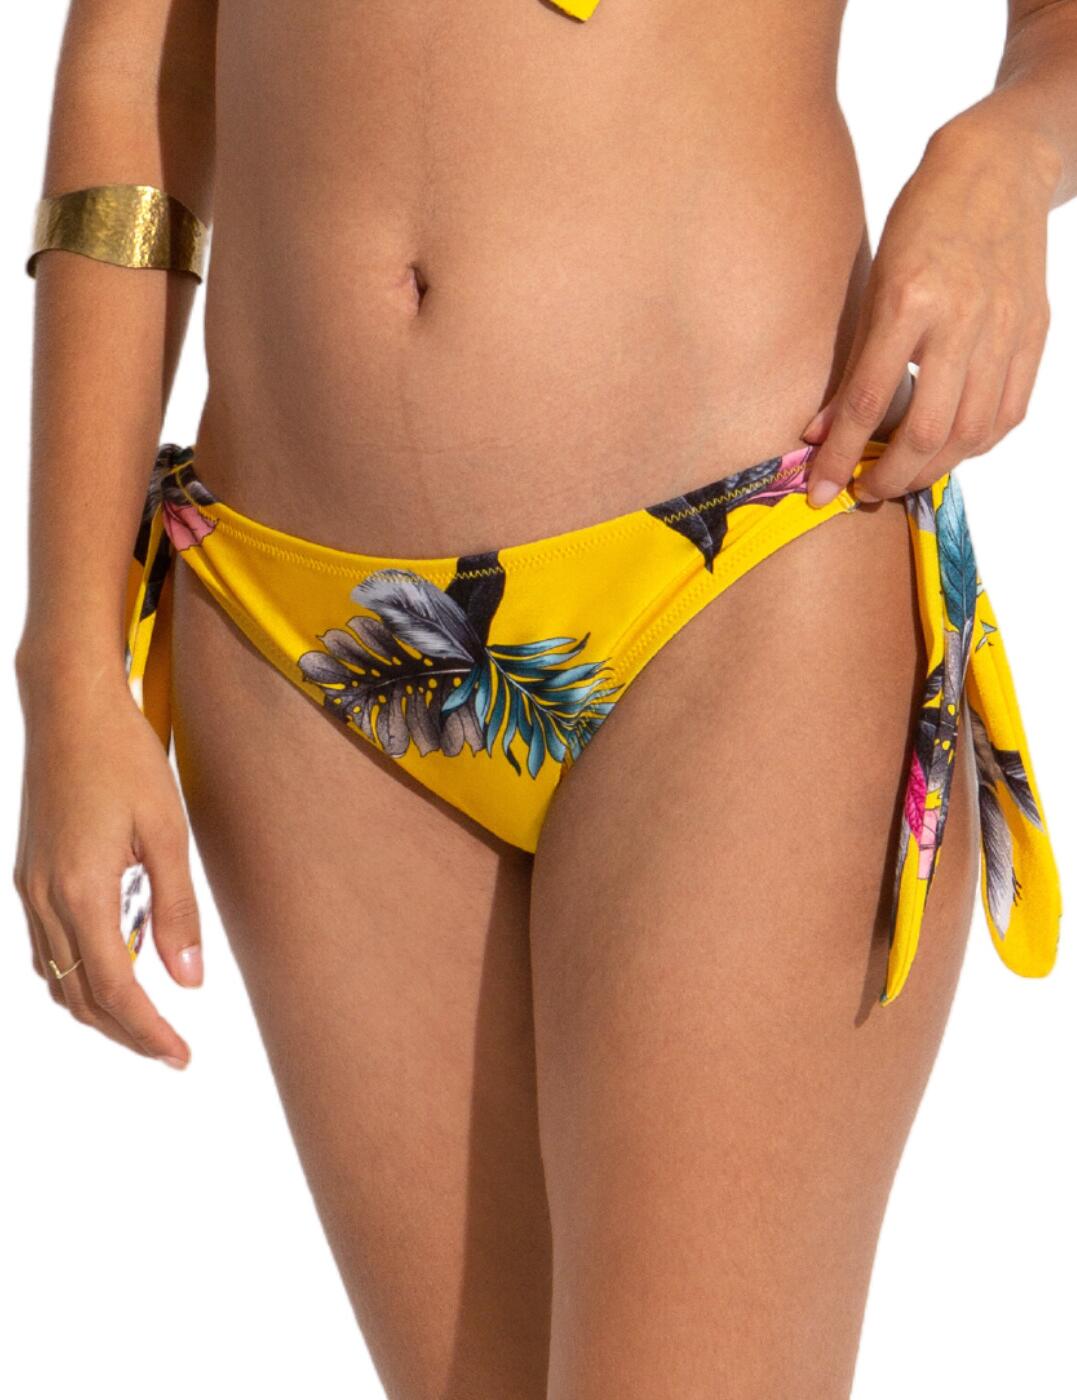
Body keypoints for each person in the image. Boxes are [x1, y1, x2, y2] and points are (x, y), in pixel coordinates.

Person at [13, 2, 1070, 1395]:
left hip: (743, 567)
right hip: (287, 633)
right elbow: (132, 66)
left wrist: (1011, 149)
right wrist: (67, 667)